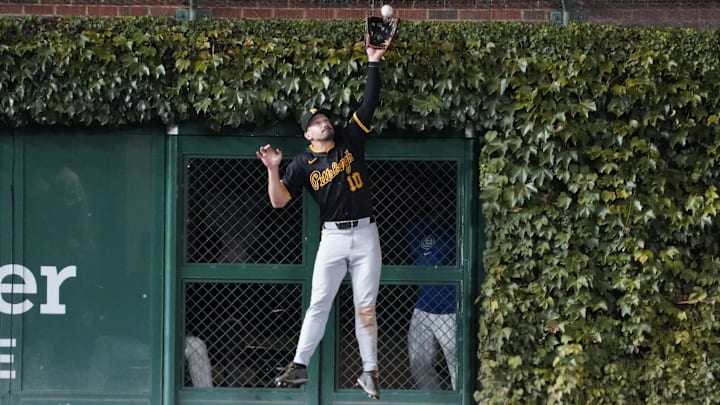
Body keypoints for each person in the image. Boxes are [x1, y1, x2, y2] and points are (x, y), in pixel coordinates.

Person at [255, 44, 389, 400]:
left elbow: (369, 103)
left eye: (324, 119)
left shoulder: (350, 141)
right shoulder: (300, 164)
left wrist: (373, 62)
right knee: (319, 302)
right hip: (331, 237)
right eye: (315, 123)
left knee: (366, 305)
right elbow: (279, 201)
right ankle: (299, 365)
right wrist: (273, 170)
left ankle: (370, 371)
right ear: (307, 135)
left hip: (365, 233)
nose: (323, 122)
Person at [406, 209, 458, 391]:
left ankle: (459, 399)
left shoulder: (454, 231)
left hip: (449, 307)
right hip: (424, 305)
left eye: (438, 202)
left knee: (456, 362)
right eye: (429, 201)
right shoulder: (417, 229)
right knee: (418, 360)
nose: (433, 205)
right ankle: (434, 400)